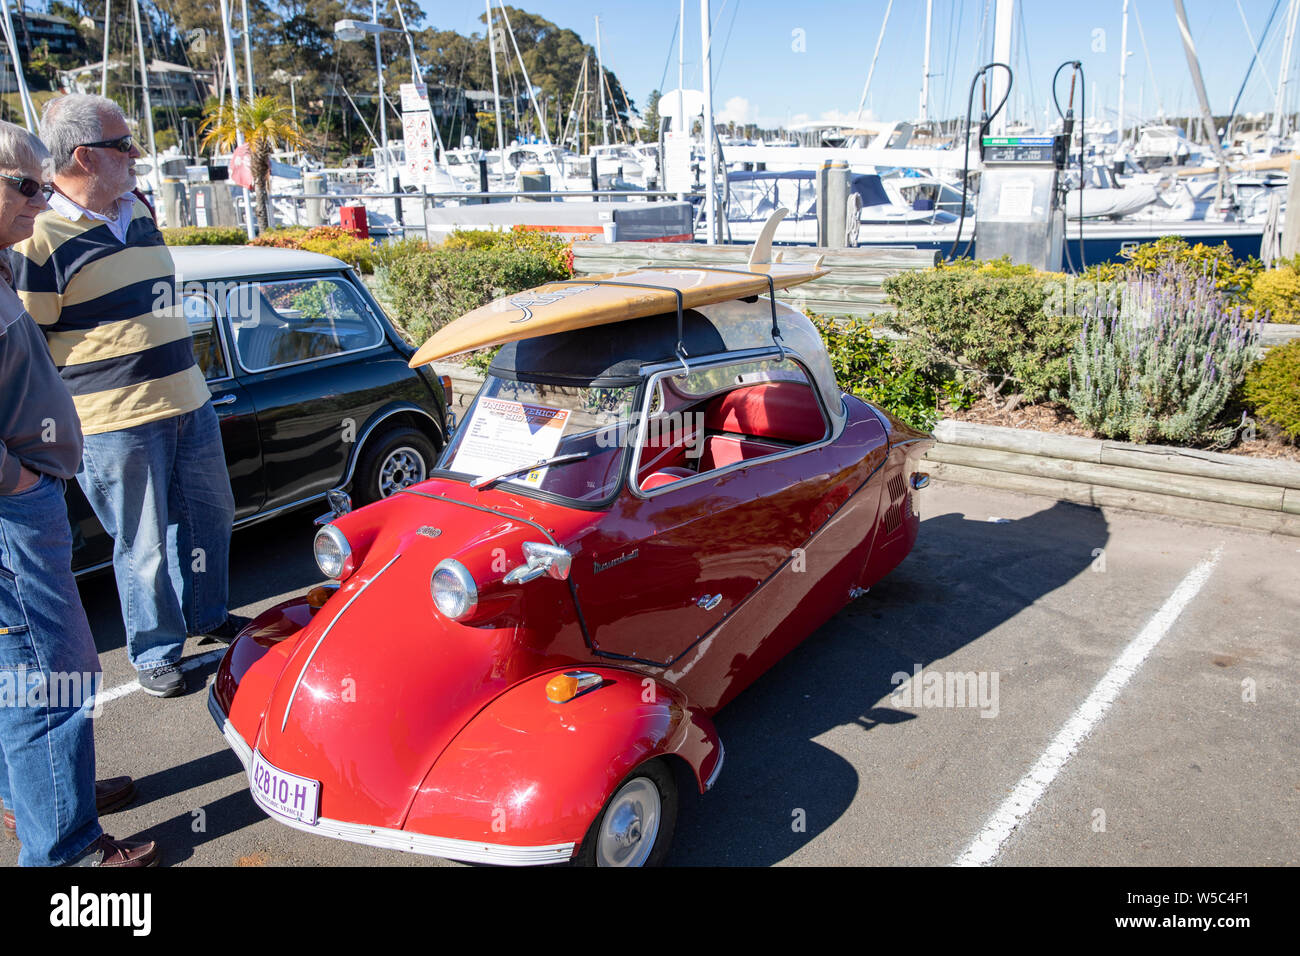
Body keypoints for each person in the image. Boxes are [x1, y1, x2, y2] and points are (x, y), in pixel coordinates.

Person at [12, 94, 245, 698]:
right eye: (124, 145)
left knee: (209, 517)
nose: (137, 153)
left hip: (188, 401)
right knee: (141, 543)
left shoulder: (137, 208)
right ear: (85, 157)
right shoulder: (37, 238)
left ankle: (207, 616)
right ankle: (155, 650)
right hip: (113, 421)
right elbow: (29, 346)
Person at [0, 119, 156, 866]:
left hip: (21, 500)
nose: (42, 197)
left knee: (22, 674)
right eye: (27, 185)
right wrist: (22, 480)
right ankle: (67, 851)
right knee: (54, 672)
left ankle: (44, 797)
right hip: (13, 510)